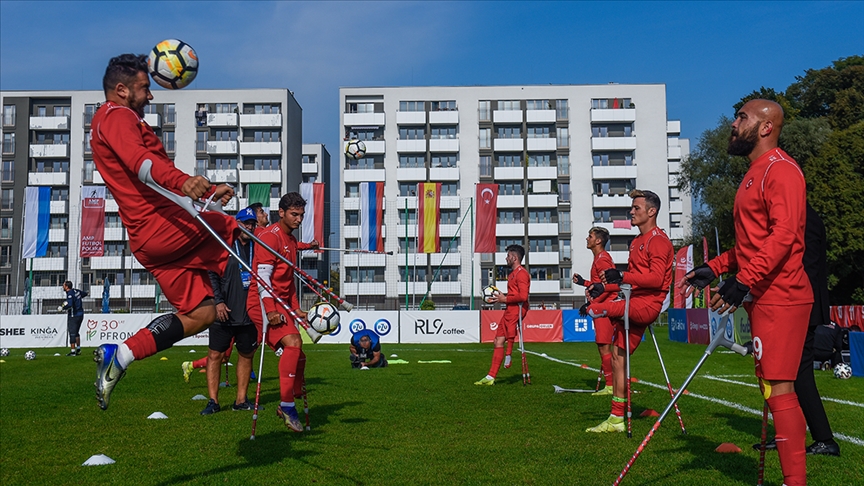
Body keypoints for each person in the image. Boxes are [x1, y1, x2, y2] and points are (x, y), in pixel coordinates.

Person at [89, 53, 237, 411]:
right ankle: (267, 321)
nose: (150, 95)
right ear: (121, 90)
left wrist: (204, 192)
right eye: (144, 88)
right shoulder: (117, 115)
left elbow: (153, 176)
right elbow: (141, 164)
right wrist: (184, 181)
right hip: (161, 228)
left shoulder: (109, 120)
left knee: (203, 313)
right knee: (234, 229)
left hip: (153, 238)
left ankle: (120, 355)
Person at [682, 100, 811, 485]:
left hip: (783, 294)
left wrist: (743, 281)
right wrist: (716, 266)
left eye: (742, 118)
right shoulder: (754, 173)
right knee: (769, 386)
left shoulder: (781, 170)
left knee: (778, 386)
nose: (733, 124)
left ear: (766, 127)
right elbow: (752, 244)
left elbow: (783, 236)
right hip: (764, 294)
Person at [584, 190, 673, 433]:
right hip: (632, 301)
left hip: (647, 305)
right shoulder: (636, 242)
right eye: (632, 208)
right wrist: (605, 286)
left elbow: (655, 279)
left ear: (651, 212)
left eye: (637, 208)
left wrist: (620, 277)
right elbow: (629, 282)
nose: (631, 212)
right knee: (617, 357)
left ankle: (600, 309)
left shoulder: (658, 241)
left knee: (600, 309)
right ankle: (616, 418)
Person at [246, 192, 318, 432]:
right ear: (281, 213)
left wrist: (295, 308)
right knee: (294, 342)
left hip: (281, 302)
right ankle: (287, 406)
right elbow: (263, 279)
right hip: (262, 302)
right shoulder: (270, 237)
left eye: (301, 215)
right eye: (294, 214)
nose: (299, 219)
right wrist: (270, 311)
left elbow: (288, 282)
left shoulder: (291, 240)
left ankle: (290, 397)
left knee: (299, 355)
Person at [198, 207, 261, 415]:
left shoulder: (257, 247)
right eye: (245, 223)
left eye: (252, 224)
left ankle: (241, 400)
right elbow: (211, 274)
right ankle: (213, 401)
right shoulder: (223, 245)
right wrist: (218, 302)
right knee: (215, 355)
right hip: (223, 312)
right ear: (237, 224)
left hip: (249, 312)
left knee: (246, 355)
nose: (249, 227)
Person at [475, 244, 530, 386]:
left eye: (508, 256)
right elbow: (514, 294)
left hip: (517, 308)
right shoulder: (512, 275)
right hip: (509, 307)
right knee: (497, 341)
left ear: (515, 258)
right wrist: (502, 297)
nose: (506, 258)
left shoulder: (522, 274)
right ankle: (490, 377)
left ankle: (508, 355)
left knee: (509, 331)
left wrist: (504, 299)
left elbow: (523, 296)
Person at [572, 227, 616, 395]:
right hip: (601, 307)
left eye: (590, 236)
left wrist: (592, 305)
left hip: (604, 308)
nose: (587, 239)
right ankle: (613, 384)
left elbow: (610, 287)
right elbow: (599, 285)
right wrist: (584, 282)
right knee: (602, 346)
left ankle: (611, 385)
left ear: (598, 241)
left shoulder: (602, 260)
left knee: (604, 346)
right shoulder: (599, 258)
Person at [60, 281, 87, 356]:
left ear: (67, 287)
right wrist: (77, 300)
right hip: (81, 314)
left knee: (72, 333)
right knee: (76, 332)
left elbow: (70, 305)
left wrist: (63, 307)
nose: (63, 287)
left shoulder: (70, 294)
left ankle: (72, 352)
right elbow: (85, 294)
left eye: (63, 285)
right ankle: (78, 349)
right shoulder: (76, 291)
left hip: (73, 315)